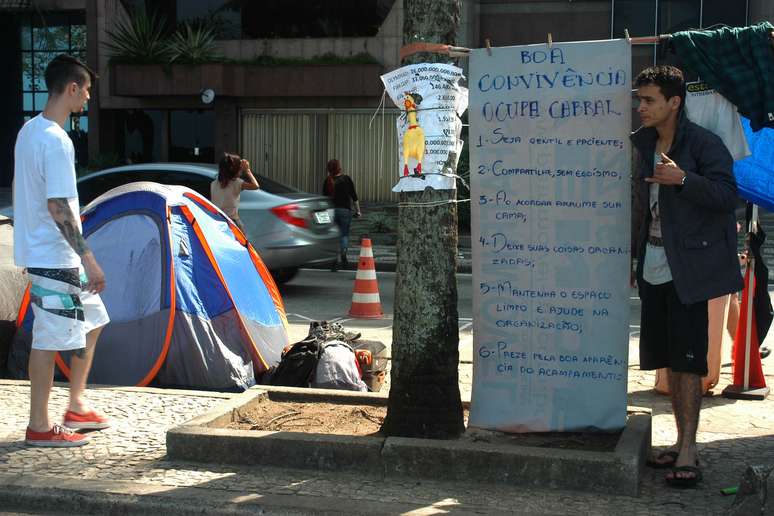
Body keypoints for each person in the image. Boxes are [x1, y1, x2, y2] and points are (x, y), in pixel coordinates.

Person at [631, 65, 743, 487]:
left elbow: (727, 196)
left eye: (649, 100)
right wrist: (632, 259)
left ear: (674, 102)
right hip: (653, 265)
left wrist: (683, 179)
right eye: (639, 100)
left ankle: (691, 451)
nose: (640, 107)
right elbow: (639, 206)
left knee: (690, 362)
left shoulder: (704, 143)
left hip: (691, 269)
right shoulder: (641, 144)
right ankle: (680, 445)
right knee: (671, 363)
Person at [13, 54, 111, 447]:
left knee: (94, 319)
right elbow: (58, 206)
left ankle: (77, 404)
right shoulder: (55, 140)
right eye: (86, 89)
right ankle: (40, 425)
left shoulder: (29, 131)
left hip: (47, 254)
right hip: (55, 258)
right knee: (48, 338)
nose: (88, 97)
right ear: (72, 88)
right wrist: (89, 260)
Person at [322, 159, 361, 271]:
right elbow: (354, 196)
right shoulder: (346, 179)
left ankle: (334, 262)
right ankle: (343, 253)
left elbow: (324, 199)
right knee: (344, 234)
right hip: (344, 211)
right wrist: (358, 211)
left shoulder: (327, 181)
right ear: (339, 167)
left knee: (333, 236)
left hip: (331, 212)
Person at [210, 152, 259, 232]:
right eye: (240, 168)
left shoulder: (213, 184)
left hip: (217, 221)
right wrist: (248, 170)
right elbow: (256, 186)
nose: (241, 171)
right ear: (235, 170)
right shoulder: (237, 183)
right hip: (233, 222)